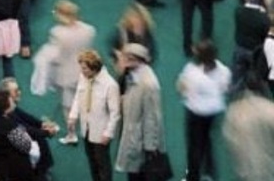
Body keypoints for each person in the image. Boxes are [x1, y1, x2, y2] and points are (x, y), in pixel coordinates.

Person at [176, 39, 230, 181]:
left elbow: (182, 89)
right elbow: (225, 88)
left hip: (195, 114)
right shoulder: (224, 70)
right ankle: (210, 173)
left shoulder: (192, 72)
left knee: (193, 146)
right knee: (207, 141)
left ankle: (192, 176)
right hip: (213, 113)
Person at [66, 49, 121, 181]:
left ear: (94, 68)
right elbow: (78, 97)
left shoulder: (110, 85)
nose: (82, 71)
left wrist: (108, 133)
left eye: (84, 68)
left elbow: (115, 113)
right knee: (92, 162)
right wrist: (73, 115)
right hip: (87, 129)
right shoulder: (84, 77)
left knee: (103, 164)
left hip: (101, 132)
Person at [114, 42, 166, 181]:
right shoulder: (131, 75)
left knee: (138, 175)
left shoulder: (148, 84)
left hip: (139, 141)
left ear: (133, 59)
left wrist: (150, 147)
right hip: (132, 134)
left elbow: (152, 118)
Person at [45, 0, 95, 138]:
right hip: (85, 71)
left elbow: (55, 57)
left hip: (65, 74)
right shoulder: (89, 30)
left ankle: (71, 134)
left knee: (68, 106)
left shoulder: (57, 32)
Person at [0, 87, 38, 181]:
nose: (13, 101)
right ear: (5, 108)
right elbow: (26, 145)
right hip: (7, 170)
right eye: (11, 100)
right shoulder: (8, 126)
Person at [222, 77, 274, 181]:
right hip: (266, 165)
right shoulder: (268, 108)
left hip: (244, 166)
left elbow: (227, 135)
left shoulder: (233, 110)